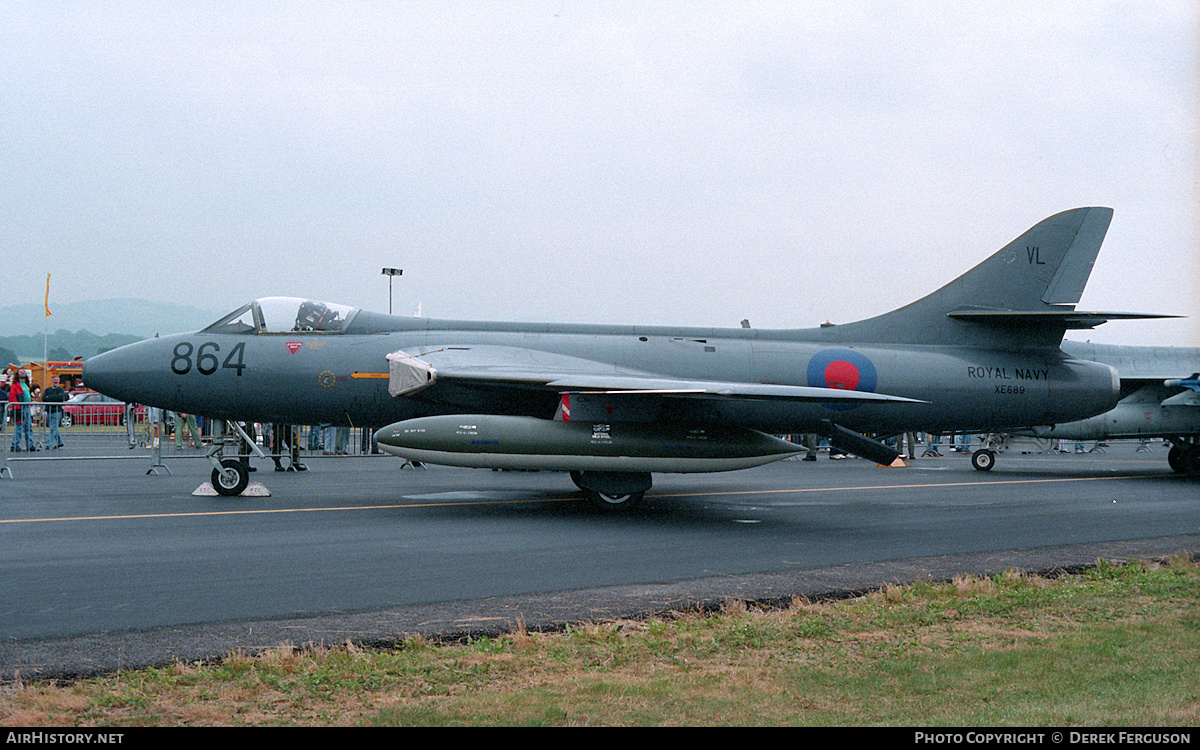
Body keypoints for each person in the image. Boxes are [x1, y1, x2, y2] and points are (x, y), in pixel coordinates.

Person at [8, 370, 36, 452]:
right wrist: (17, 407)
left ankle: (30, 445)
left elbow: (27, 394)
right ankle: (14, 445)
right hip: (20, 407)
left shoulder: (26, 384)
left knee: (29, 427)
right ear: (17, 374)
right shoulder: (15, 385)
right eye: (20, 371)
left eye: (23, 371)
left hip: (27, 407)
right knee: (19, 427)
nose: (22, 372)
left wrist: (30, 401)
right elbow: (12, 397)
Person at [42, 375, 68, 449]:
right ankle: (60, 442)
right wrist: (54, 398)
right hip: (49, 411)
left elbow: (60, 398)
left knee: (53, 428)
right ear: (51, 381)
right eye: (54, 380)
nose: (56, 381)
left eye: (57, 380)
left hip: (57, 411)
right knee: (53, 428)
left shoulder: (61, 390)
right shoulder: (47, 390)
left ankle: (49, 444)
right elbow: (44, 398)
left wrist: (49, 398)